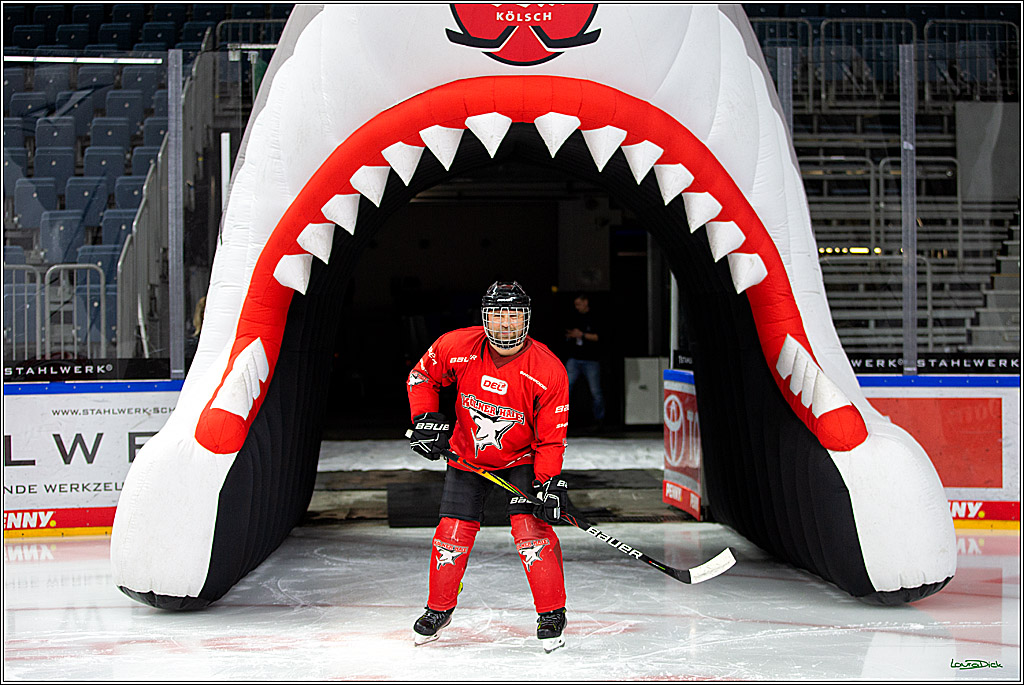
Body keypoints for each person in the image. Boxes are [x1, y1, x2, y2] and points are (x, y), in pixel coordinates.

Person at [406, 281, 571, 652]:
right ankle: (439, 608)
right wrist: (425, 420)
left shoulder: (547, 369)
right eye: (498, 314)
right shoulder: (457, 345)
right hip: (468, 456)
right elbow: (422, 377)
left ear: (526, 319)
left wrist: (547, 484)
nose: (505, 324)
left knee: (532, 531)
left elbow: (550, 438)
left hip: (521, 459)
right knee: (451, 532)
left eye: (514, 314)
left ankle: (551, 612)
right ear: (485, 317)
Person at [564, 293, 605, 431]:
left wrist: (581, 335)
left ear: (585, 302)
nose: (577, 307)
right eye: (575, 305)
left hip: (591, 359)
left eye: (579, 304)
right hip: (574, 358)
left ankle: (599, 420)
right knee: (564, 389)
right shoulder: (574, 317)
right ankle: (561, 420)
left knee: (595, 391)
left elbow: (598, 337)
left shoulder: (595, 317)